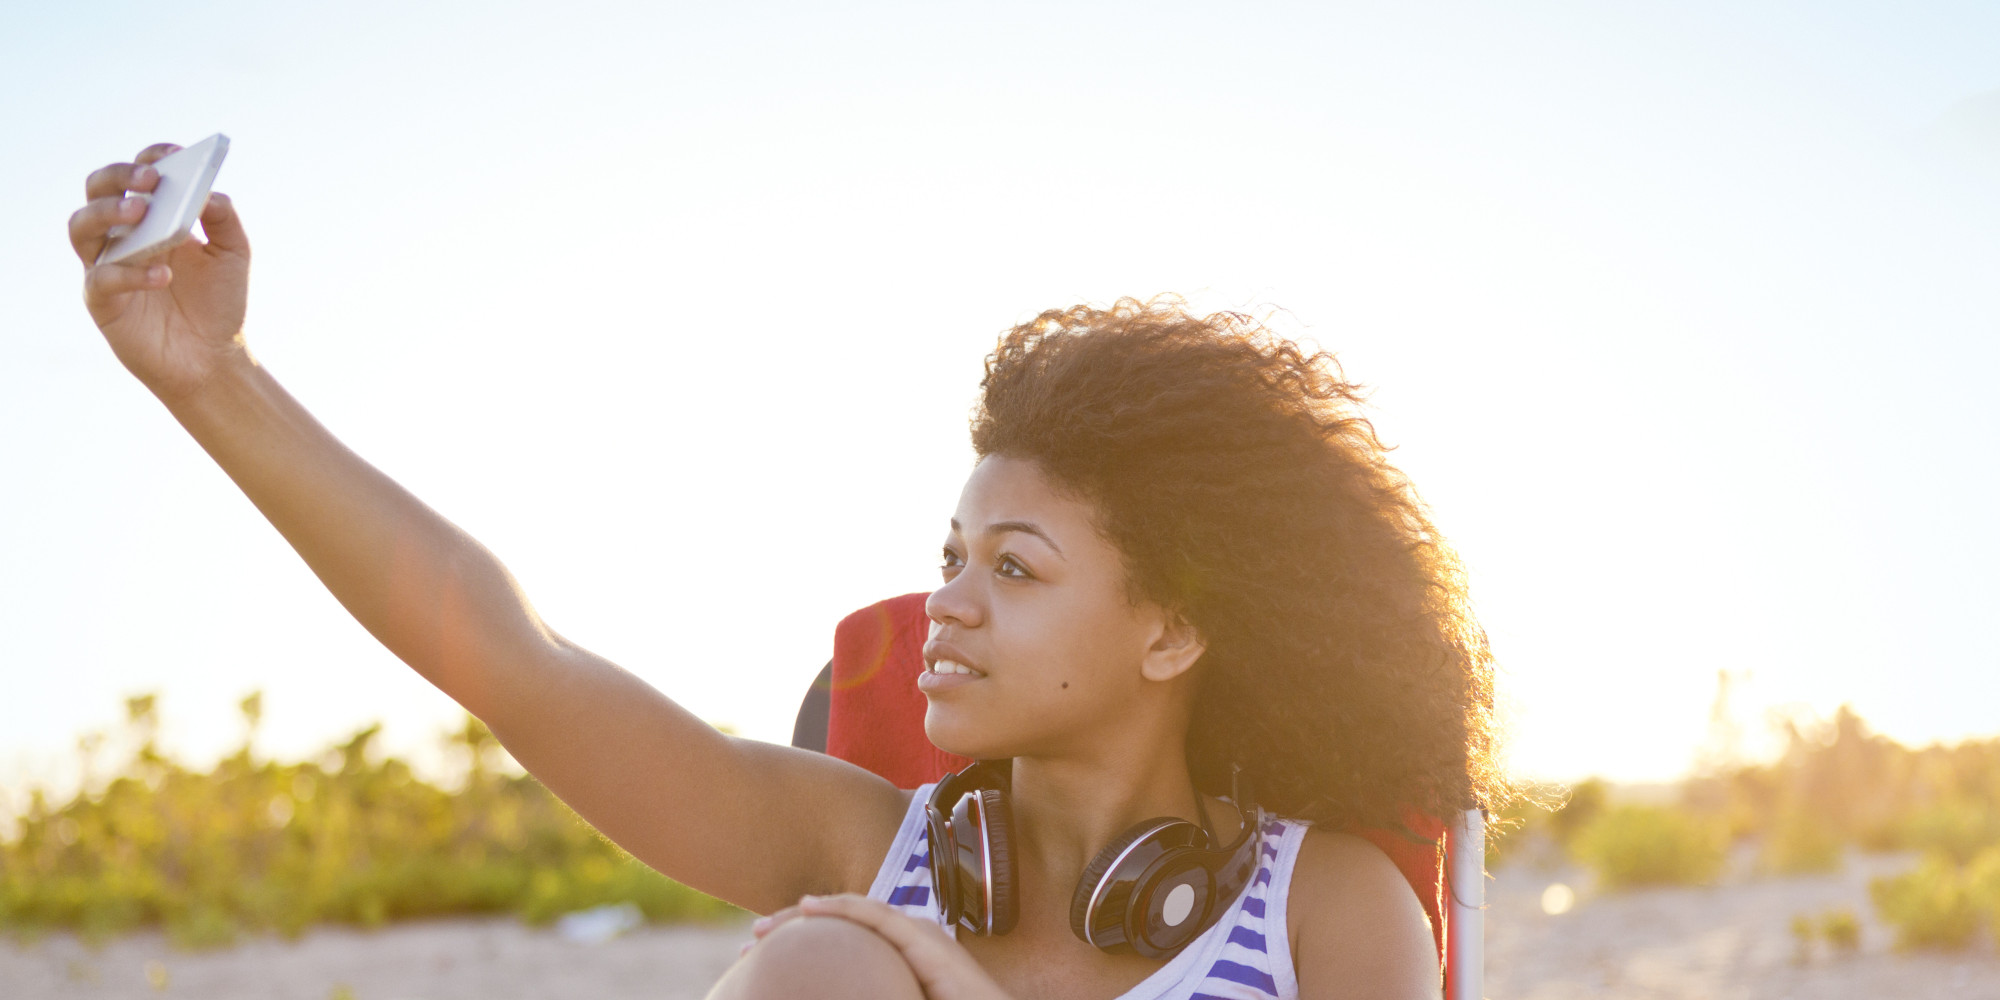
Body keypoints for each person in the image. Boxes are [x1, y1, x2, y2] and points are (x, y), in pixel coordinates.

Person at [69, 142, 1503, 1000]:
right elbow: (507, 654)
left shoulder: (1322, 902)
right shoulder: (858, 857)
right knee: (824, 968)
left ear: (1175, 629)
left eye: (1016, 567)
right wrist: (212, 381)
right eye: (950, 556)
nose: (943, 603)